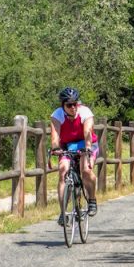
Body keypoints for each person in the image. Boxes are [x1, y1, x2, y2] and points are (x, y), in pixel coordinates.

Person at [50, 87, 99, 225]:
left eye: (75, 104)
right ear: (63, 105)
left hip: (86, 144)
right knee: (62, 170)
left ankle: (92, 200)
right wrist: (55, 148)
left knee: (86, 170)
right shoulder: (57, 115)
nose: (73, 107)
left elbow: (88, 132)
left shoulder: (85, 112)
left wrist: (88, 148)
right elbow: (55, 136)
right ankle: (63, 213)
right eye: (69, 105)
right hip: (68, 146)